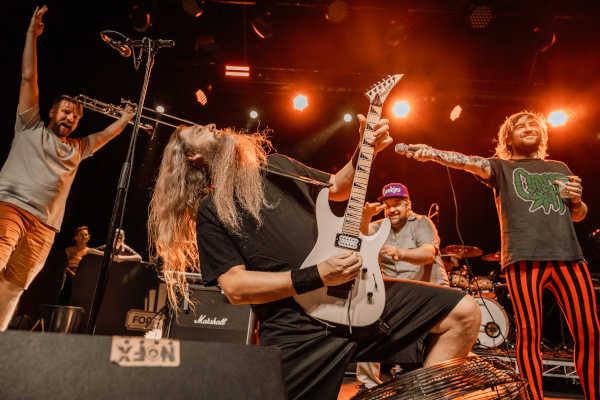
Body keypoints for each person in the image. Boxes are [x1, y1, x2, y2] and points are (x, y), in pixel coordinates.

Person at [148, 119, 481, 400]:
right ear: (193, 156)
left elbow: (338, 186)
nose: (211, 126)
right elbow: (235, 287)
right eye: (199, 131)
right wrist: (317, 275)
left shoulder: (276, 167)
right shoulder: (212, 211)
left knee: (463, 313)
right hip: (297, 327)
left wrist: (365, 148)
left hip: (357, 298)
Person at [396, 110, 600, 400]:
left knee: (590, 332)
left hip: (569, 257)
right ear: (508, 138)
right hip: (523, 260)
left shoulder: (559, 167)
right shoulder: (501, 167)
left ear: (543, 135)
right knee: (529, 334)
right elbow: (465, 161)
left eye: (534, 124)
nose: (529, 127)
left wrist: (577, 202)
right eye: (521, 125)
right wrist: (431, 153)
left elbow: (579, 215)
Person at [0, 5, 135, 331]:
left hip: (45, 227)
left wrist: (125, 119)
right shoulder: (29, 125)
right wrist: (32, 35)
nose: (70, 117)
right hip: (11, 207)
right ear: (51, 111)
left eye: (75, 115)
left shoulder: (78, 148)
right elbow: (28, 77)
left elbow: (105, 136)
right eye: (65, 111)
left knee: (15, 287)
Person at [356, 182, 449, 389]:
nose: (392, 210)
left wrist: (400, 253)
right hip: (397, 293)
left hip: (430, 292)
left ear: (408, 205)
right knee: (366, 316)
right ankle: (368, 384)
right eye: (388, 206)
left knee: (444, 339)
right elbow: (360, 242)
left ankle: (450, 374)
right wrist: (365, 218)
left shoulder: (422, 223)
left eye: (397, 204)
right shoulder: (379, 227)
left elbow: (428, 254)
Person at [59, 225, 94, 304]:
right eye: (81, 235)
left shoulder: (90, 251)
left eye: (86, 235)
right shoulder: (68, 250)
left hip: (82, 279)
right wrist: (71, 273)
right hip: (68, 278)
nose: (84, 237)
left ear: (89, 237)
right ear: (75, 238)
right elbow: (62, 265)